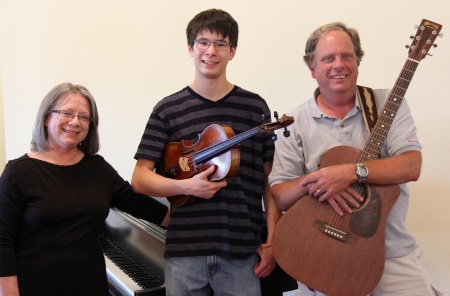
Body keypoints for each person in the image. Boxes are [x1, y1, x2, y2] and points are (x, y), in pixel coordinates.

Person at [268, 22, 441, 295]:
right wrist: (320, 181)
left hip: (392, 253)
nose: (339, 64)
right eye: (328, 58)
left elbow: (411, 165)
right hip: (321, 253)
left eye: (346, 56)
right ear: (312, 69)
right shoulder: (294, 122)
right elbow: (279, 194)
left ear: (357, 62)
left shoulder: (387, 104)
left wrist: (352, 172)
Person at [131, 8, 281, 296]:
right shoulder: (167, 109)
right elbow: (139, 178)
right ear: (190, 48)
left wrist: (273, 241)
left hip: (241, 251)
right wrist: (186, 186)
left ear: (232, 51)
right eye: (203, 42)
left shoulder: (254, 107)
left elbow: (270, 181)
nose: (211, 51)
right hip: (184, 253)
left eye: (221, 44)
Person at [0, 83, 170, 296]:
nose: (75, 122)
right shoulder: (17, 172)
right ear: (46, 117)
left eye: (84, 117)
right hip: (35, 286)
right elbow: (3, 241)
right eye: (67, 113)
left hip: (89, 285)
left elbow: (137, 203)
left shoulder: (97, 168)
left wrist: (185, 219)